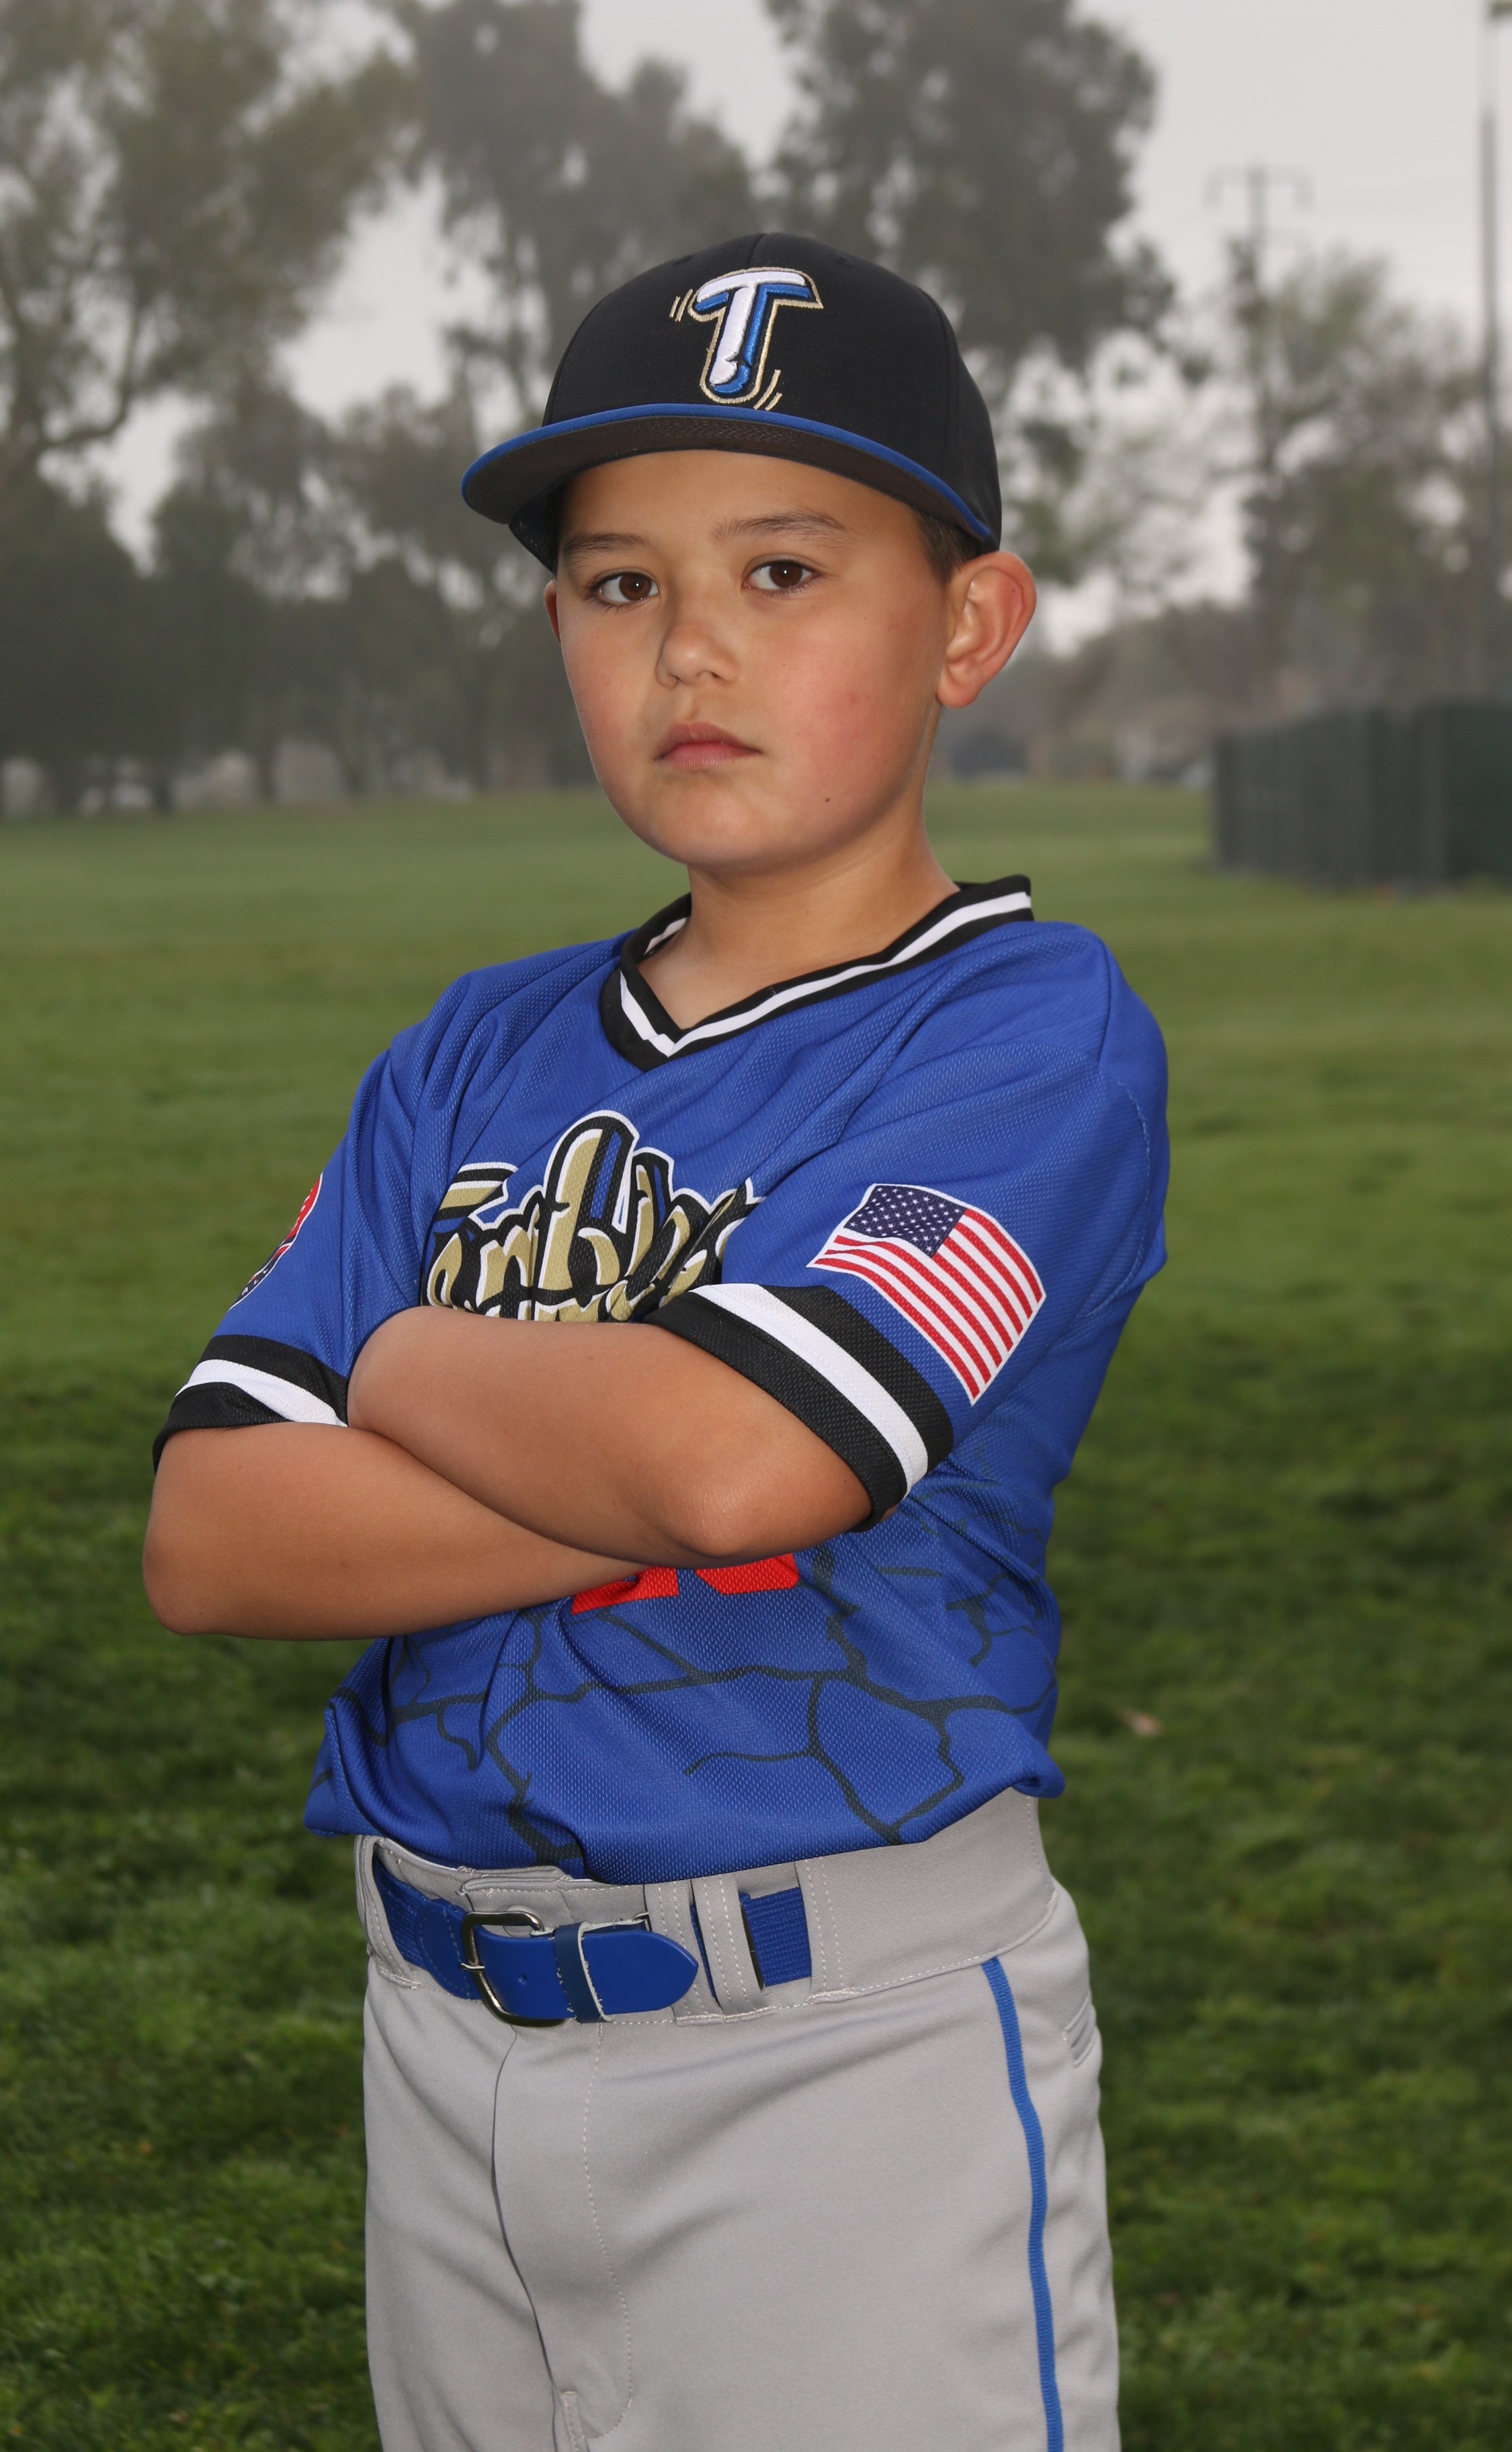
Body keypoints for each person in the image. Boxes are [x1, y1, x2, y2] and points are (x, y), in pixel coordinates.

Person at [144, 232, 1168, 2452]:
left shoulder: (1028, 1032)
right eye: (620, 586)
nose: (692, 645)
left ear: (970, 625)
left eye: (783, 571)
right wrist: (636, 1440)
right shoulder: (469, 1052)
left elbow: (737, 1468)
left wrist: (405, 1360)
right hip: (438, 2040)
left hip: (843, 2062)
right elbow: (213, 1536)